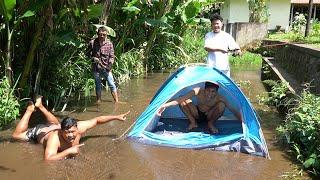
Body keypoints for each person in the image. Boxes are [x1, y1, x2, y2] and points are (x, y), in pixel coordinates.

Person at [12, 96, 130, 161]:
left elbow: (97, 120)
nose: (70, 135)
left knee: (55, 122)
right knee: (16, 136)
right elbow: (48, 159)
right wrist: (68, 151)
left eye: (72, 132)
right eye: (66, 133)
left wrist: (116, 117)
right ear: (61, 132)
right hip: (40, 131)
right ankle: (30, 110)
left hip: (55, 125)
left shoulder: (80, 127)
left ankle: (41, 106)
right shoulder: (55, 139)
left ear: (77, 129)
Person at [157, 82, 242, 134]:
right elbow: (179, 100)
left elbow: (233, 110)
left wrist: (246, 123)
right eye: (208, 90)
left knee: (222, 105)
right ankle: (193, 122)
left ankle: (211, 124)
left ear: (216, 92)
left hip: (209, 115)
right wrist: (163, 105)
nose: (210, 94)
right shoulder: (197, 91)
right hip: (197, 113)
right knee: (183, 99)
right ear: (204, 89)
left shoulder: (220, 98)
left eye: (213, 92)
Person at [88, 26, 118, 103]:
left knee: (111, 84)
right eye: (100, 34)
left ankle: (116, 102)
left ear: (106, 35)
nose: (102, 36)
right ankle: (99, 101)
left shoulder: (109, 44)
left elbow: (112, 56)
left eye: (104, 34)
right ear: (97, 34)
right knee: (98, 85)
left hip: (106, 68)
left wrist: (110, 66)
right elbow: (87, 54)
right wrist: (93, 58)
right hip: (96, 68)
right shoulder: (92, 43)